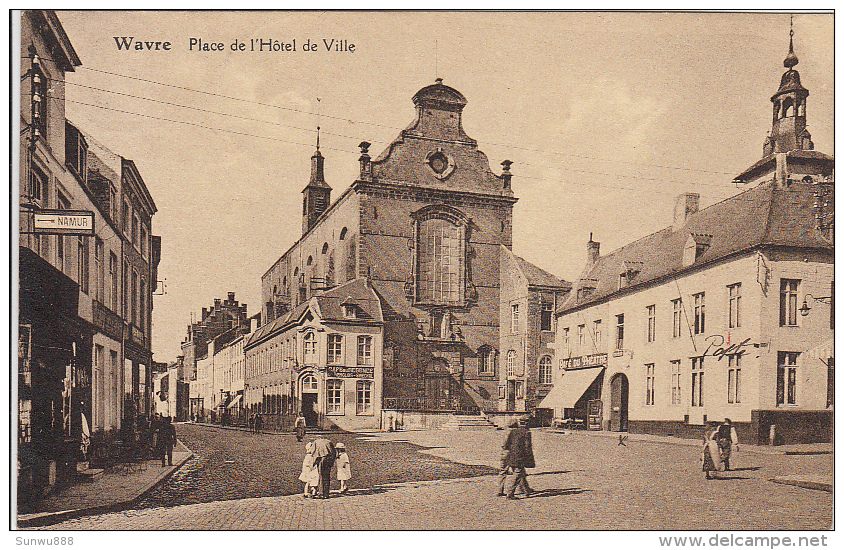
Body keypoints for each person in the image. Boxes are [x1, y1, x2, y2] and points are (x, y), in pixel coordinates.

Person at [500, 417, 535, 500]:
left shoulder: (513, 431)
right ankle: (510, 493)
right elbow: (527, 447)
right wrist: (529, 459)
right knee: (518, 474)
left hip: (511, 456)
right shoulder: (527, 432)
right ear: (527, 424)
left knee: (521, 473)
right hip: (520, 457)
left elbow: (507, 445)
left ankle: (526, 490)